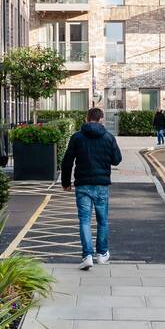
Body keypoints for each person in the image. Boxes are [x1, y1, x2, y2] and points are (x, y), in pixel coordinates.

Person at [59, 107, 122, 270]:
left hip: (83, 185)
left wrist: (66, 182)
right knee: (102, 220)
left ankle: (87, 255)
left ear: (87, 119)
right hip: (101, 185)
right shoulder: (108, 137)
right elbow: (117, 160)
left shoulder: (77, 137)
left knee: (85, 221)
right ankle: (101, 254)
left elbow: (67, 161)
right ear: (101, 119)